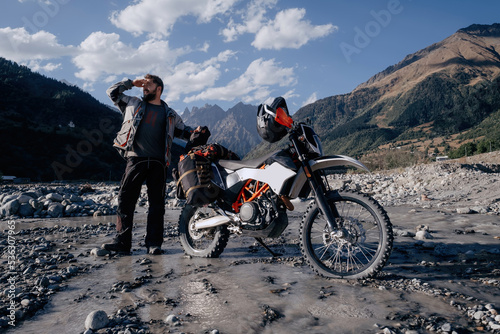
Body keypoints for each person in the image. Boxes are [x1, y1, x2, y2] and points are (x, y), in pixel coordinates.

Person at [102, 74, 209, 255]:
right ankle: (122, 242)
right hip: (135, 159)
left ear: (158, 88)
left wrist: (197, 132)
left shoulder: (170, 114)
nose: (144, 86)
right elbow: (111, 92)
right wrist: (130, 83)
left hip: (159, 163)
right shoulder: (132, 103)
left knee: (157, 205)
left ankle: (154, 244)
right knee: (125, 200)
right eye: (143, 84)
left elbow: (185, 133)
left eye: (148, 84)